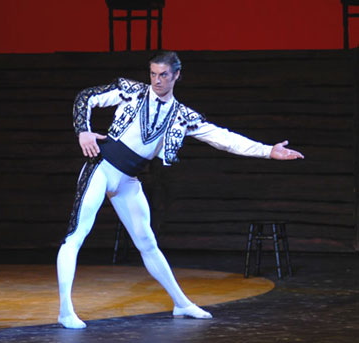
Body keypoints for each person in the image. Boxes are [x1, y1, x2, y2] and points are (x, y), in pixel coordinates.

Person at [57, 51, 304, 329]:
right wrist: (83, 130)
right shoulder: (131, 91)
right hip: (102, 167)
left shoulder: (182, 115)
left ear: (176, 75)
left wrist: (268, 151)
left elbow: (222, 138)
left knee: (147, 243)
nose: (157, 80)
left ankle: (181, 303)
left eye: (163, 75)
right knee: (76, 236)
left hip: (128, 181)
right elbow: (86, 97)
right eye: (153, 74)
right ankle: (66, 311)